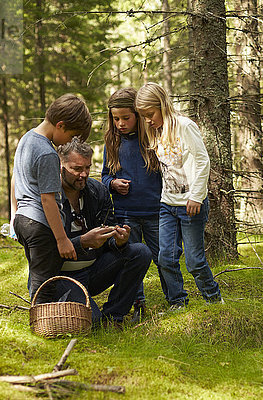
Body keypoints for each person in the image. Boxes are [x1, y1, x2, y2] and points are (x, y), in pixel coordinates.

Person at [135, 82, 222, 309]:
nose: (147, 120)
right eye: (143, 116)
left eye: (150, 114)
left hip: (190, 204)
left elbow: (203, 160)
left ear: (163, 105)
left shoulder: (184, 126)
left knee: (194, 261)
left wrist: (196, 196)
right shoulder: (156, 132)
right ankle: (178, 302)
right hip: (168, 205)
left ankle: (214, 300)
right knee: (166, 258)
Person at [57, 138, 151, 326]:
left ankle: (114, 316)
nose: (83, 174)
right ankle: (97, 317)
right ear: (61, 166)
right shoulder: (50, 197)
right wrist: (82, 242)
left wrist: (118, 241)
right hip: (61, 275)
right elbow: (44, 251)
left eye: (87, 168)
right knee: (93, 322)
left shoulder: (97, 190)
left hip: (93, 270)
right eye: (76, 169)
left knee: (140, 252)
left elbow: (109, 231)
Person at [11, 93, 91, 304]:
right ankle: (42, 325)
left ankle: (41, 317)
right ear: (61, 125)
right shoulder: (47, 153)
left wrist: (14, 216)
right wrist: (62, 239)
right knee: (45, 284)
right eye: (72, 136)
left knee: (37, 275)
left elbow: (14, 179)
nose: (69, 143)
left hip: (23, 219)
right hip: (40, 225)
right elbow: (48, 200)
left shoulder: (27, 138)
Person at [101, 88, 164, 322]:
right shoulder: (113, 142)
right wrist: (113, 183)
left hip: (157, 211)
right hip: (126, 213)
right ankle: (137, 304)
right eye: (115, 118)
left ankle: (176, 300)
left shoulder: (153, 139)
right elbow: (104, 176)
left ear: (138, 114)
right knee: (133, 259)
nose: (120, 123)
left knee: (163, 257)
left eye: (126, 118)